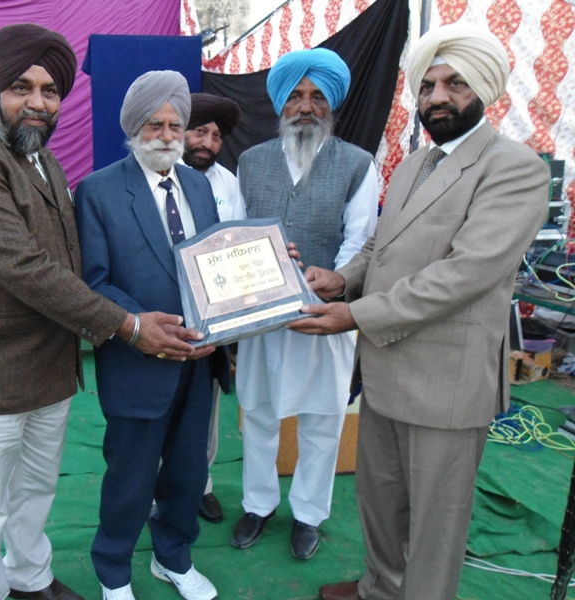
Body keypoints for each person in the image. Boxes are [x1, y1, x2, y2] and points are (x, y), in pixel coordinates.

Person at [0, 25, 202, 600]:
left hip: (47, 369)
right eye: (22, 87)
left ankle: (31, 579)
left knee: (34, 492)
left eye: (50, 91)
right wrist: (128, 324)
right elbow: (24, 267)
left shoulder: (40, 158)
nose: (38, 102)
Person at [288, 25, 550, 600]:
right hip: (385, 371)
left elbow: (464, 273)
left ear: (484, 89)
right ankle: (380, 589)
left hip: (445, 381)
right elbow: (380, 246)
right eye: (428, 85)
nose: (437, 97)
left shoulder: (513, 167)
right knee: (380, 500)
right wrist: (342, 279)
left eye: (455, 84)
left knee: (436, 523)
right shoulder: (414, 164)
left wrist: (355, 315)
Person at [75, 71, 230, 600]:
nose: (166, 135)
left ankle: (173, 558)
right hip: (137, 361)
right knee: (130, 477)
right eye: (154, 124)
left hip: (199, 359)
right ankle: (113, 572)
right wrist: (144, 328)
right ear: (132, 128)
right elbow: (94, 282)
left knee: (188, 472)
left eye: (175, 125)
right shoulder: (97, 191)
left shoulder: (199, 185)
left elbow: (212, 265)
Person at [231, 48, 379, 561]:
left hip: (324, 317)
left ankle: (309, 514)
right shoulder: (250, 163)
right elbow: (235, 236)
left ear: (331, 105)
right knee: (258, 411)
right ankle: (258, 504)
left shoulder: (358, 163)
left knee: (322, 417)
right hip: (262, 317)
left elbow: (362, 241)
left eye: (317, 97)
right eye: (295, 96)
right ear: (280, 104)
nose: (306, 107)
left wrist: (335, 281)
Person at [181, 92, 245, 524]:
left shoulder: (230, 184)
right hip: (162, 311)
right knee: (160, 407)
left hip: (212, 316)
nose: (207, 142)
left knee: (206, 406)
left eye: (217, 136)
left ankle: (200, 485)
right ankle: (157, 487)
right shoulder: (157, 172)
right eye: (199, 131)